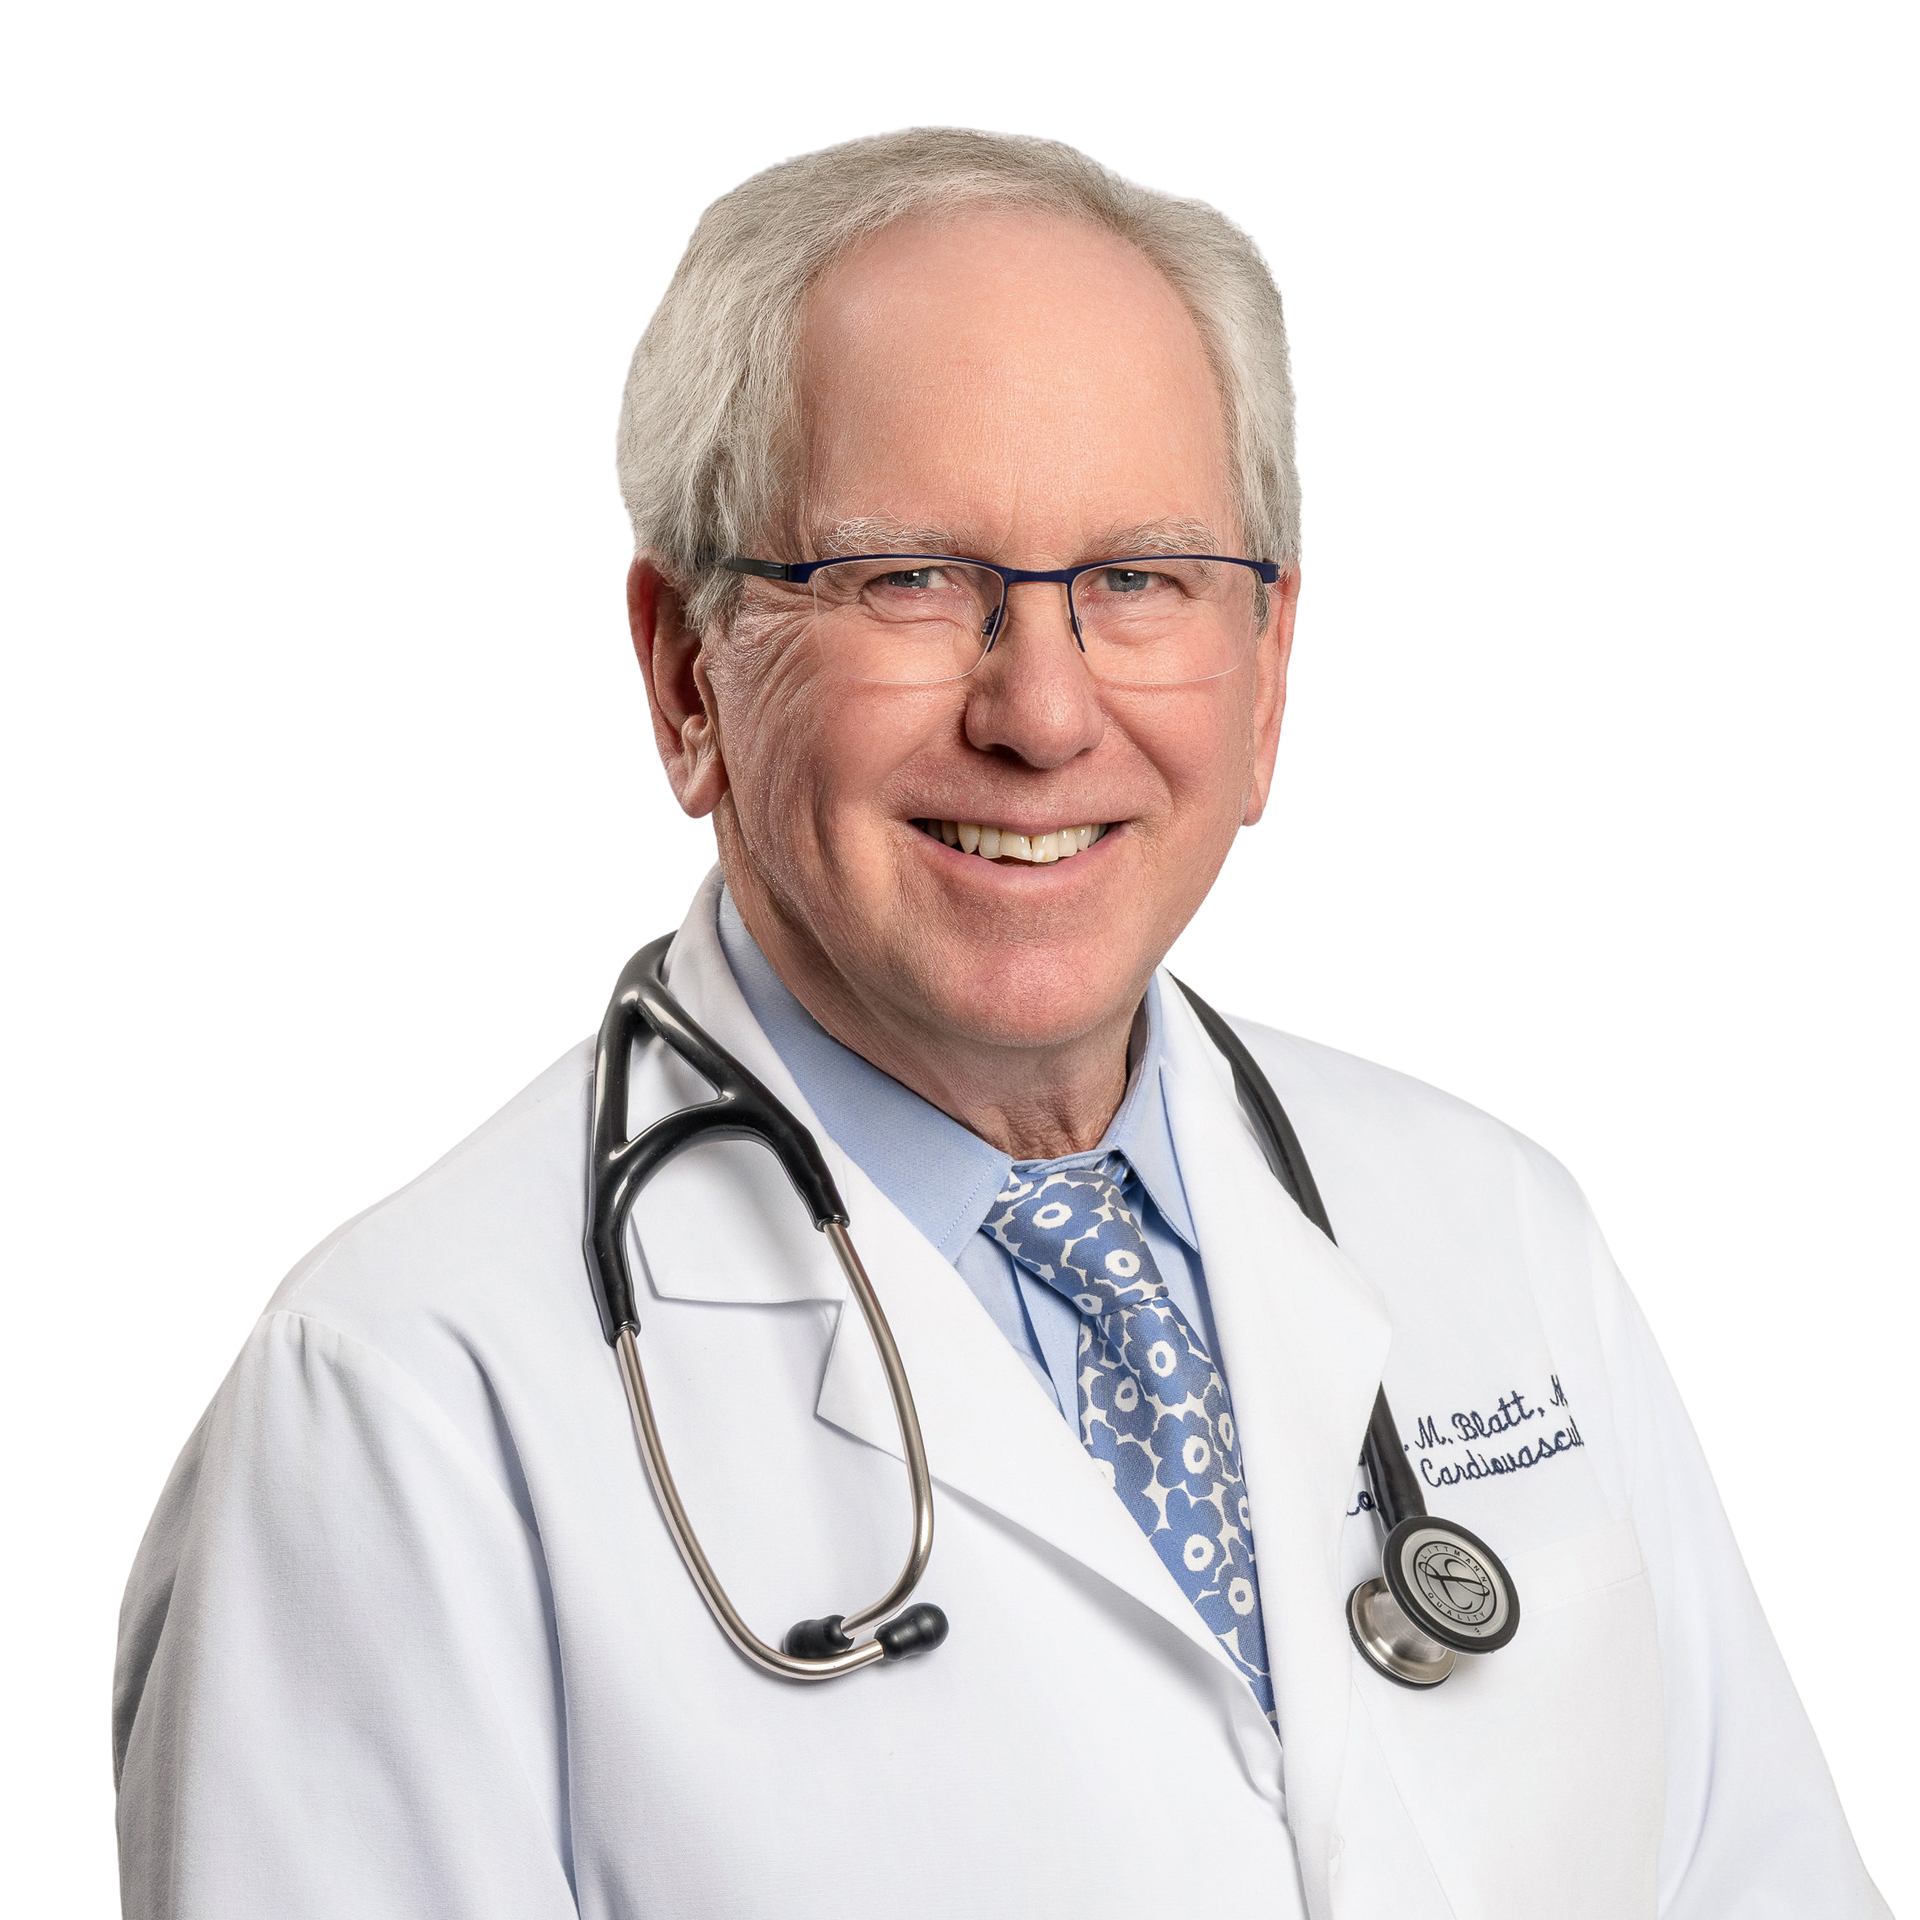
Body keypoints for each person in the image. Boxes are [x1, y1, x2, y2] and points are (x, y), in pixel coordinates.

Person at [109, 124, 1886, 1920]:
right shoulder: (402, 1399)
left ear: (1268, 675)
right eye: (909, 577)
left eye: (1140, 578)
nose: (1042, 714)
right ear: (683, 678)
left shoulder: (1496, 1219)